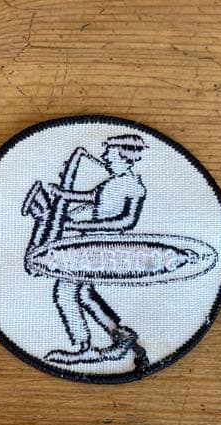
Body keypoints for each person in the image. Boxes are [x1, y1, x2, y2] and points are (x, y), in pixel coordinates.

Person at [51, 133, 148, 365]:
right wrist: (62, 194)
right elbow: (92, 197)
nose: (104, 157)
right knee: (83, 292)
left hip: (103, 248)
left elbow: (126, 222)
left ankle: (83, 347)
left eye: (109, 153)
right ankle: (122, 339)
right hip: (90, 244)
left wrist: (79, 225)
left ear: (124, 156)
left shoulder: (134, 187)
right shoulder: (112, 182)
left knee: (65, 291)